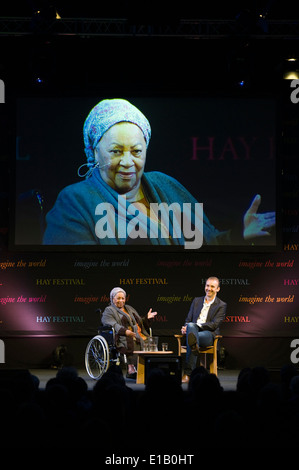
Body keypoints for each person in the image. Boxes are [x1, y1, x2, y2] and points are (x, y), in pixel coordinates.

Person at [42, 98, 275, 247]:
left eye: (136, 151)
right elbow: (72, 266)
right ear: (94, 152)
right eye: (115, 151)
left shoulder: (166, 185)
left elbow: (207, 243)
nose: (127, 162)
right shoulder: (74, 200)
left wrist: (238, 234)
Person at [101, 287, 157, 378]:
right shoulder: (109, 310)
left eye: (123, 298)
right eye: (118, 298)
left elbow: (140, 323)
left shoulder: (129, 308)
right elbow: (113, 324)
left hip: (138, 333)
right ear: (112, 298)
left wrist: (147, 318)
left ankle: (148, 368)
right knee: (132, 341)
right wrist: (125, 331)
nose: (121, 300)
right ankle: (132, 368)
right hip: (122, 335)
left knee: (150, 341)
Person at [181, 276, 227, 383]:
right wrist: (185, 327)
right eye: (207, 285)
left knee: (192, 328)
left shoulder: (221, 305)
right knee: (191, 327)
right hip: (193, 332)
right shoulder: (197, 301)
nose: (209, 288)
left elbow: (214, 325)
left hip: (208, 335)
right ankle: (193, 343)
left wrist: (196, 326)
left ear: (217, 289)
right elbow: (188, 320)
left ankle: (187, 374)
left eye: (212, 286)